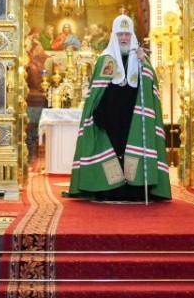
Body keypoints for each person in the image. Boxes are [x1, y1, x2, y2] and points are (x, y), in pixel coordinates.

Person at [66, 15, 171, 202]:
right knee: (112, 151)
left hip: (134, 117)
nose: (124, 38)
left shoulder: (140, 58)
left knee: (132, 150)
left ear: (132, 36)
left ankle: (135, 190)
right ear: (114, 36)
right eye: (120, 34)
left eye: (127, 34)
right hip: (110, 117)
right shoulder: (106, 59)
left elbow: (151, 83)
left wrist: (144, 62)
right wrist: (97, 113)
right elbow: (97, 90)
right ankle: (109, 189)